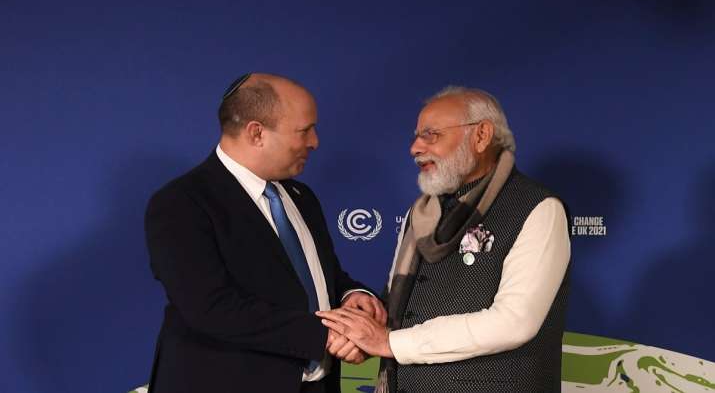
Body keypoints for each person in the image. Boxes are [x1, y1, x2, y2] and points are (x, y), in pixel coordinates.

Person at [318, 86, 571, 392]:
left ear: (481, 136)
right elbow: (403, 308)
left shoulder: (537, 208)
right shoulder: (421, 212)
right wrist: (366, 325)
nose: (414, 147)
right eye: (415, 136)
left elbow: (514, 322)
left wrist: (388, 341)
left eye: (431, 135)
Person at [145, 73, 386, 393]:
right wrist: (327, 335)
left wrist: (353, 297)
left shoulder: (301, 197)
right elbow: (210, 308)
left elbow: (320, 277)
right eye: (304, 130)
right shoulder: (181, 203)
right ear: (256, 133)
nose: (315, 141)